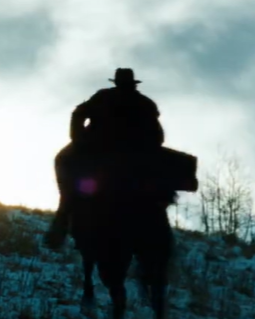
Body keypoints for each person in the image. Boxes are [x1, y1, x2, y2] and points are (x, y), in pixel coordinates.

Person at [44, 68, 166, 248]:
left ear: (116, 82)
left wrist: (77, 139)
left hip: (95, 148)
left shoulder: (103, 96)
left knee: (63, 162)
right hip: (131, 154)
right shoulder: (146, 103)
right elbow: (158, 136)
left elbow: (77, 114)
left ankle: (61, 220)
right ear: (133, 83)